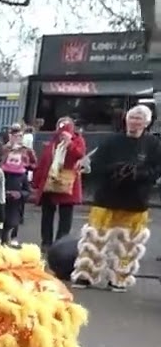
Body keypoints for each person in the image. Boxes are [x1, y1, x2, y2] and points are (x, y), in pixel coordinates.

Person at [69, 105, 160, 291]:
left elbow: (156, 169)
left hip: (136, 201)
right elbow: (96, 166)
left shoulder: (153, 144)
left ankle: (119, 278)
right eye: (132, 117)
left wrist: (138, 174)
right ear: (126, 119)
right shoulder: (111, 141)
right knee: (96, 239)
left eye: (139, 118)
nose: (134, 121)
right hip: (107, 197)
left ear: (146, 122)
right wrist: (116, 170)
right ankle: (85, 275)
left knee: (128, 243)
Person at [31, 118, 86, 250]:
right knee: (47, 215)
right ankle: (46, 242)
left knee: (65, 216)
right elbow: (44, 162)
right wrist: (36, 182)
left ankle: (61, 243)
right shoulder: (52, 141)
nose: (62, 134)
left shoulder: (78, 140)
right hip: (50, 182)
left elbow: (79, 155)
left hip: (67, 183)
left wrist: (69, 143)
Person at [0, 151, 31, 246]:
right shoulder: (0, 172)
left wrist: (20, 194)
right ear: (6, 160)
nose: (13, 162)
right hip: (1, 202)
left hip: (16, 204)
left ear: (20, 162)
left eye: (16, 160)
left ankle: (12, 237)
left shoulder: (23, 175)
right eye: (11, 160)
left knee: (13, 222)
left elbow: (27, 191)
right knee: (0, 222)